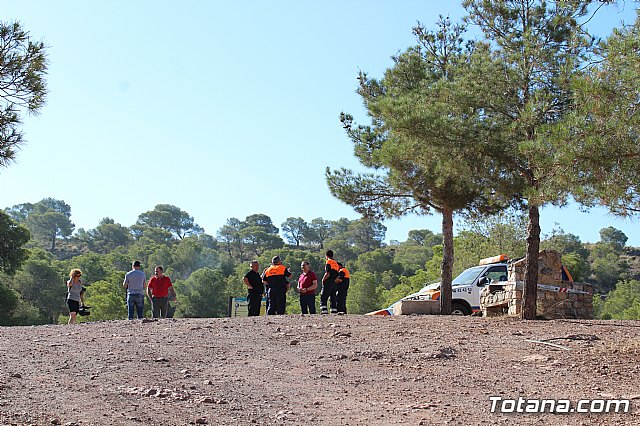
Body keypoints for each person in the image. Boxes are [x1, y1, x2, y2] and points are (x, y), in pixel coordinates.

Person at [320, 250, 339, 314]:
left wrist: (323, 280)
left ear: (326, 256)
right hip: (334, 282)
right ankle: (334, 310)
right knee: (333, 296)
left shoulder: (328, 262)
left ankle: (324, 310)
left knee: (324, 296)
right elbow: (337, 275)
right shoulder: (336, 263)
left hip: (328, 281)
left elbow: (327, 273)